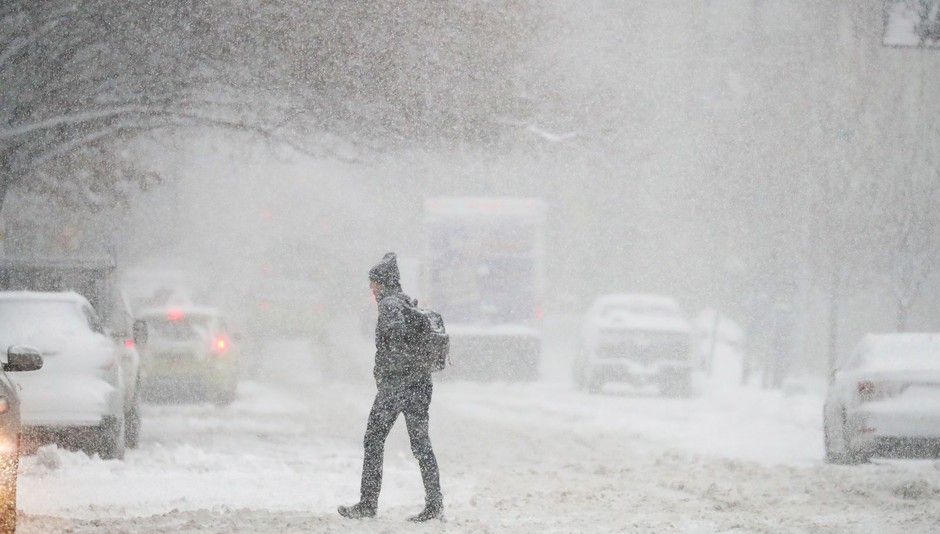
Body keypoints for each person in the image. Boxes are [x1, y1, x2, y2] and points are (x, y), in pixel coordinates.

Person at [338, 252, 443, 522]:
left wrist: (387, 373)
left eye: (373, 283)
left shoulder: (390, 307)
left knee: (373, 439)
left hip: (398, 386)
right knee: (421, 444)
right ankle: (434, 503)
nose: (371, 288)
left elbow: (395, 341)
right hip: (419, 383)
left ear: (383, 283)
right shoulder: (407, 302)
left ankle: (368, 503)